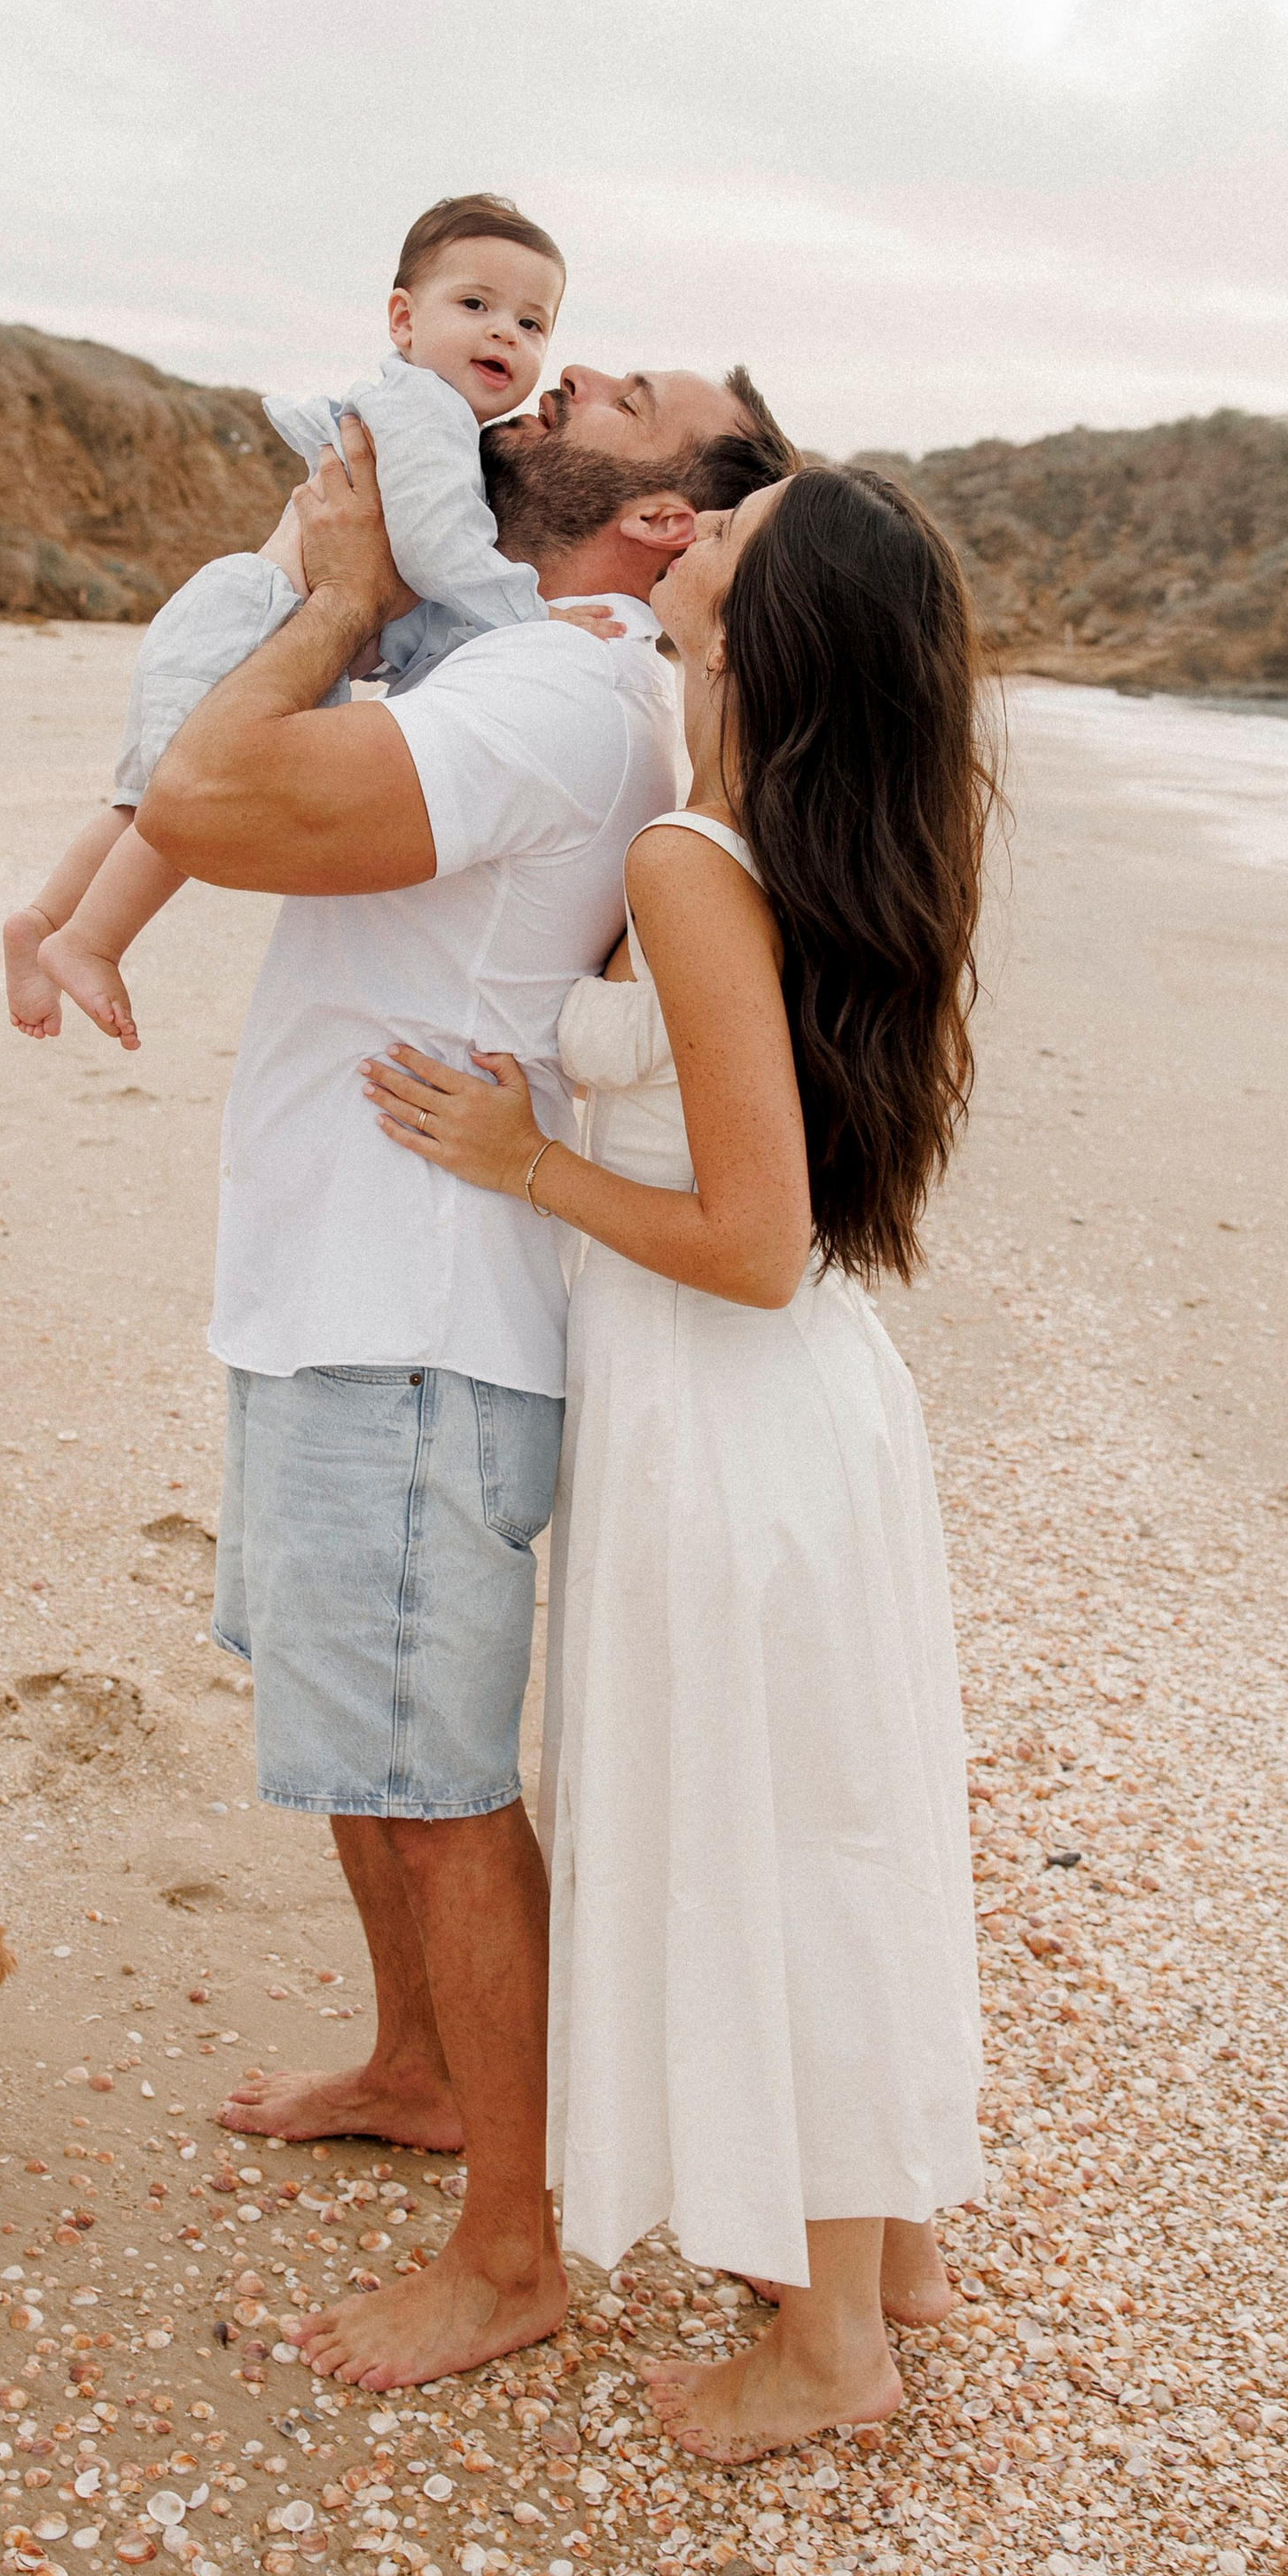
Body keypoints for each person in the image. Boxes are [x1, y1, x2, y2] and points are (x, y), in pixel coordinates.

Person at [132, 362, 797, 2391]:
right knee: (359, 1744)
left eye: (623, 386)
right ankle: (417, 2065)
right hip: (340, 1286)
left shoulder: (551, 689)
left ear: (663, 517)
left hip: (410, 1320)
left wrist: (327, 606)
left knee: (434, 1792)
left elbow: (203, 795)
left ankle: (507, 2248)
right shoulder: (523, 665)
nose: (561, 372)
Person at [359, 462, 995, 2457]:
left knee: (766, 1848)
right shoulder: (796, 840)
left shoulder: (695, 867)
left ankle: (824, 2350)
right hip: (800, 1414)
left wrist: (520, 1159)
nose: (692, 531)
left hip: (728, 1424)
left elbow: (743, 1236)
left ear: (765, 622)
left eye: (733, 533)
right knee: (824, 1825)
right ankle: (880, 2257)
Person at [4, 193, 574, 1053]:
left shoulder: (429, 412)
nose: (504, 333)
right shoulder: (428, 412)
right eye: (475, 305)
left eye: (531, 323)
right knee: (187, 804)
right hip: (261, 622)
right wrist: (530, 620)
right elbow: (431, 547)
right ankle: (86, 939)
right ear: (402, 320)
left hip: (239, 613)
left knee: (144, 801)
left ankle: (45, 919)